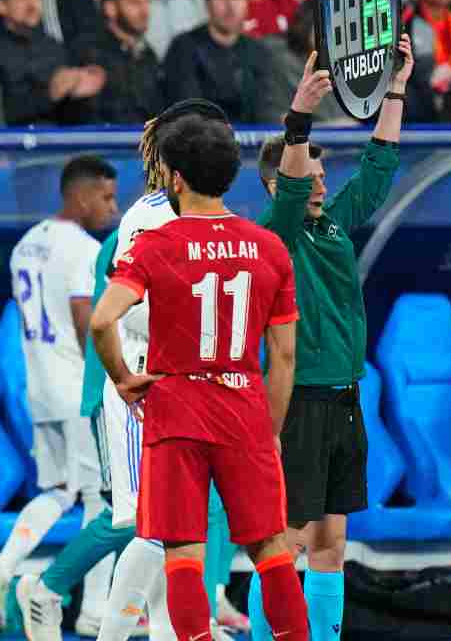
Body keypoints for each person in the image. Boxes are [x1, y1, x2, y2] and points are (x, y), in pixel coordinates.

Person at [87, 109, 310, 641]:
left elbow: (101, 320)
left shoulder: (156, 243)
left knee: (182, 552)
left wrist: (123, 377)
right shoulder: (269, 247)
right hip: (244, 408)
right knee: (271, 548)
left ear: (176, 177)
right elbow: (283, 356)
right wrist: (271, 429)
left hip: (176, 411)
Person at [246, 35, 414, 641]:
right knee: (285, 541)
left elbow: (377, 169)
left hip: (345, 396)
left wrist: (395, 90)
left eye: (322, 176)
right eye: (308, 176)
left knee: (331, 541)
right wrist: (299, 117)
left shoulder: (333, 226)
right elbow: (293, 191)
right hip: (300, 402)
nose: (319, 185)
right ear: (276, 187)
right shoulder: (276, 233)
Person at [0, 154, 120, 633]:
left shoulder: (26, 244)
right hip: (79, 390)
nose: (114, 209)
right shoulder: (82, 248)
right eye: (106, 197)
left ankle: (2, 568)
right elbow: (86, 320)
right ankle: (93, 610)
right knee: (105, 503)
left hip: (39, 389)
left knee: (59, 491)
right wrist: (111, 381)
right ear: (80, 196)